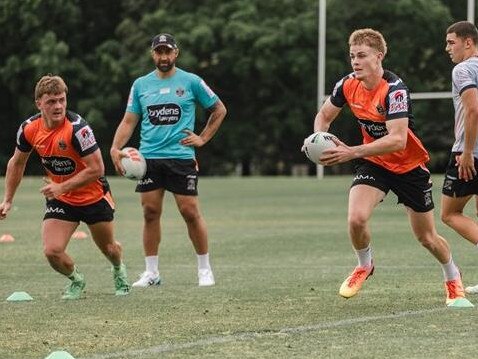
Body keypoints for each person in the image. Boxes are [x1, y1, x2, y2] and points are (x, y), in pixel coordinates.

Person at [310, 28, 472, 307]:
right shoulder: (346, 84)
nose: (355, 62)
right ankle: (365, 265)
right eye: (352, 56)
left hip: (409, 167)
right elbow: (324, 116)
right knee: (356, 218)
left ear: (379, 56)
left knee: (427, 237)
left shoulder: (395, 91)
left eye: (362, 56)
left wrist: (351, 151)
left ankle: (452, 275)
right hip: (374, 162)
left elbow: (397, 140)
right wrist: (316, 140)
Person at [110, 33, 227, 287]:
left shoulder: (192, 81)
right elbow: (129, 120)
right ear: (153, 54)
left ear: (176, 53)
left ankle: (204, 269)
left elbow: (219, 109)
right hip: (149, 159)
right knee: (150, 212)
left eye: (168, 51)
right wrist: (115, 148)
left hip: (181, 157)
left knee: (190, 212)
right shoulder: (141, 85)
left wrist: (203, 138)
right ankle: (152, 272)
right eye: (159, 52)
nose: (163, 56)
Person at [0, 75, 131, 300]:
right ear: (39, 103)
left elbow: (97, 169)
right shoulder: (29, 129)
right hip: (61, 200)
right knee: (52, 251)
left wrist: (62, 187)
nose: (58, 106)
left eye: (61, 100)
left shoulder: (78, 129)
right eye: (51, 101)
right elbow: (17, 162)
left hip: (94, 197)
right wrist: (8, 199)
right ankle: (77, 280)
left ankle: (119, 270)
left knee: (109, 248)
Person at [441, 21, 478, 294]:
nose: (447, 48)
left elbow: (473, 110)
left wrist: (466, 152)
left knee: (450, 213)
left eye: (451, 42)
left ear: (468, 42)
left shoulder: (463, 69)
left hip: (470, 154)